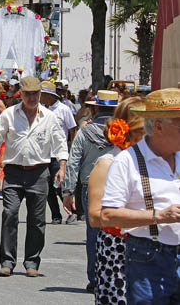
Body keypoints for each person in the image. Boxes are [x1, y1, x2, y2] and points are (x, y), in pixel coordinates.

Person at [101, 88, 180, 304]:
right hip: (149, 256)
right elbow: (108, 215)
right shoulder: (126, 161)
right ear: (158, 127)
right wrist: (158, 216)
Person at [0, 76, 68, 277]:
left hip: (39, 172)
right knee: (10, 214)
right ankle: (7, 261)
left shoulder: (49, 117)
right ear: (20, 95)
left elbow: (60, 143)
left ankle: (32, 262)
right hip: (14, 172)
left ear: (40, 95)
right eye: (28, 94)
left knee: (37, 220)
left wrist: (62, 167)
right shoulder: (8, 114)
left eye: (36, 94)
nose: (32, 98)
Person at [87, 96, 145, 304]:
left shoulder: (155, 162)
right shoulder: (107, 164)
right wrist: (144, 218)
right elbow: (94, 216)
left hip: (149, 249)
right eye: (141, 126)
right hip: (118, 252)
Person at [63, 89, 117, 291]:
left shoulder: (85, 131)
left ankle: (95, 279)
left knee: (93, 234)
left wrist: (68, 192)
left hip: (90, 188)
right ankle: (113, 277)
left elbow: (73, 162)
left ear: (94, 109)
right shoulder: (125, 131)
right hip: (118, 189)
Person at [40, 81, 77, 225]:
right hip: (44, 154)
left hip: (58, 154)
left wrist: (71, 148)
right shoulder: (41, 109)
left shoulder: (63, 109)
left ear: (48, 95)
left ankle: (71, 211)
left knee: (60, 185)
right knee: (47, 187)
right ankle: (56, 215)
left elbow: (72, 129)